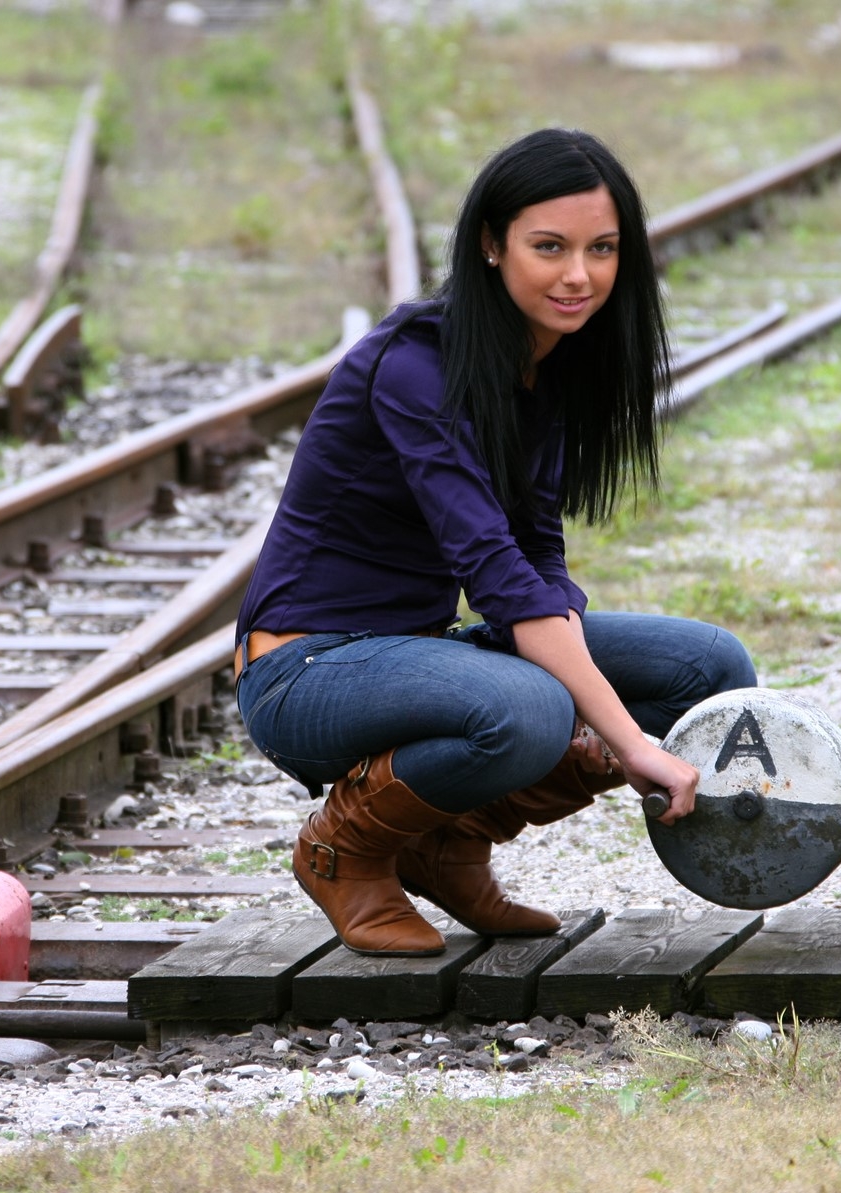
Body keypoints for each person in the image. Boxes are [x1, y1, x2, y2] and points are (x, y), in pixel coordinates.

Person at [233, 128, 756, 957]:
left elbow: (535, 558)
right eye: (548, 247)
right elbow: (497, 577)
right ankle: (345, 849)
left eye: (601, 248)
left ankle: (447, 838)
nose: (578, 275)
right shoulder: (412, 364)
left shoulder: (540, 370)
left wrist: (600, 691)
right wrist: (626, 742)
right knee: (532, 709)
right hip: (305, 669)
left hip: (416, 653)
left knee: (706, 669)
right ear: (490, 244)